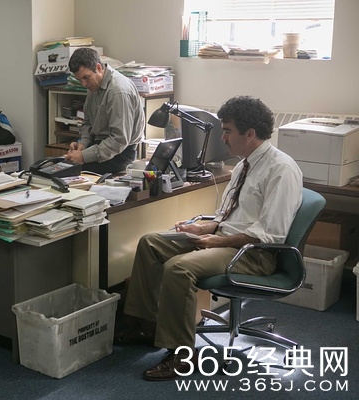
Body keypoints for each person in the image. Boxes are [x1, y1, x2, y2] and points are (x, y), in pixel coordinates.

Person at [116, 96, 303, 381]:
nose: (223, 138)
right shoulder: (244, 165)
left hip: (254, 253)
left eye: (227, 131)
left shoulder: (281, 169)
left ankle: (181, 354)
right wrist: (206, 227)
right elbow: (229, 215)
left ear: (249, 134)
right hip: (227, 238)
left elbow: (269, 234)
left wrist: (217, 241)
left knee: (179, 267)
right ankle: (146, 326)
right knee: (150, 242)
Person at [64, 47, 145, 175]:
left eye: (86, 77)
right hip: (100, 144)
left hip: (120, 153)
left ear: (99, 68)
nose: (83, 84)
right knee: (61, 164)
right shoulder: (93, 85)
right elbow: (87, 122)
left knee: (70, 171)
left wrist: (84, 156)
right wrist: (83, 144)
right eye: (80, 80)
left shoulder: (118, 91)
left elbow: (119, 140)